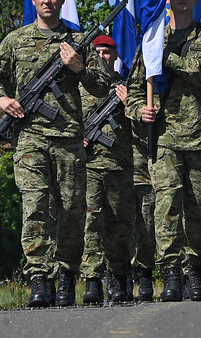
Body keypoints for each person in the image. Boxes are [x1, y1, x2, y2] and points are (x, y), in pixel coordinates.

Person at [0, 0, 111, 307]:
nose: (47, 2)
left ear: (61, 1)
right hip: (29, 138)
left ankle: (67, 274)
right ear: (35, 0)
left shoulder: (78, 41)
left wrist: (79, 68)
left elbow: (101, 86)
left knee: (71, 210)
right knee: (35, 206)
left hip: (68, 138)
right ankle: (40, 278)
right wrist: (2, 100)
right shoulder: (16, 40)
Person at [127, 0, 201, 302]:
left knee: (200, 210)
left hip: (199, 137)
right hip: (165, 137)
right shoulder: (152, 39)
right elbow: (133, 92)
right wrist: (140, 109)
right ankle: (170, 271)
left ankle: (195, 268)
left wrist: (165, 56)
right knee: (166, 205)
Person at [80, 35, 134, 305]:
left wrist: (130, 105)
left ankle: (119, 277)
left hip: (119, 166)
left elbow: (146, 126)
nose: (102, 56)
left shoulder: (128, 87)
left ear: (115, 55)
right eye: (98, 52)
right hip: (88, 166)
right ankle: (92, 280)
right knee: (90, 224)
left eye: (107, 52)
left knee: (119, 226)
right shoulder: (81, 88)